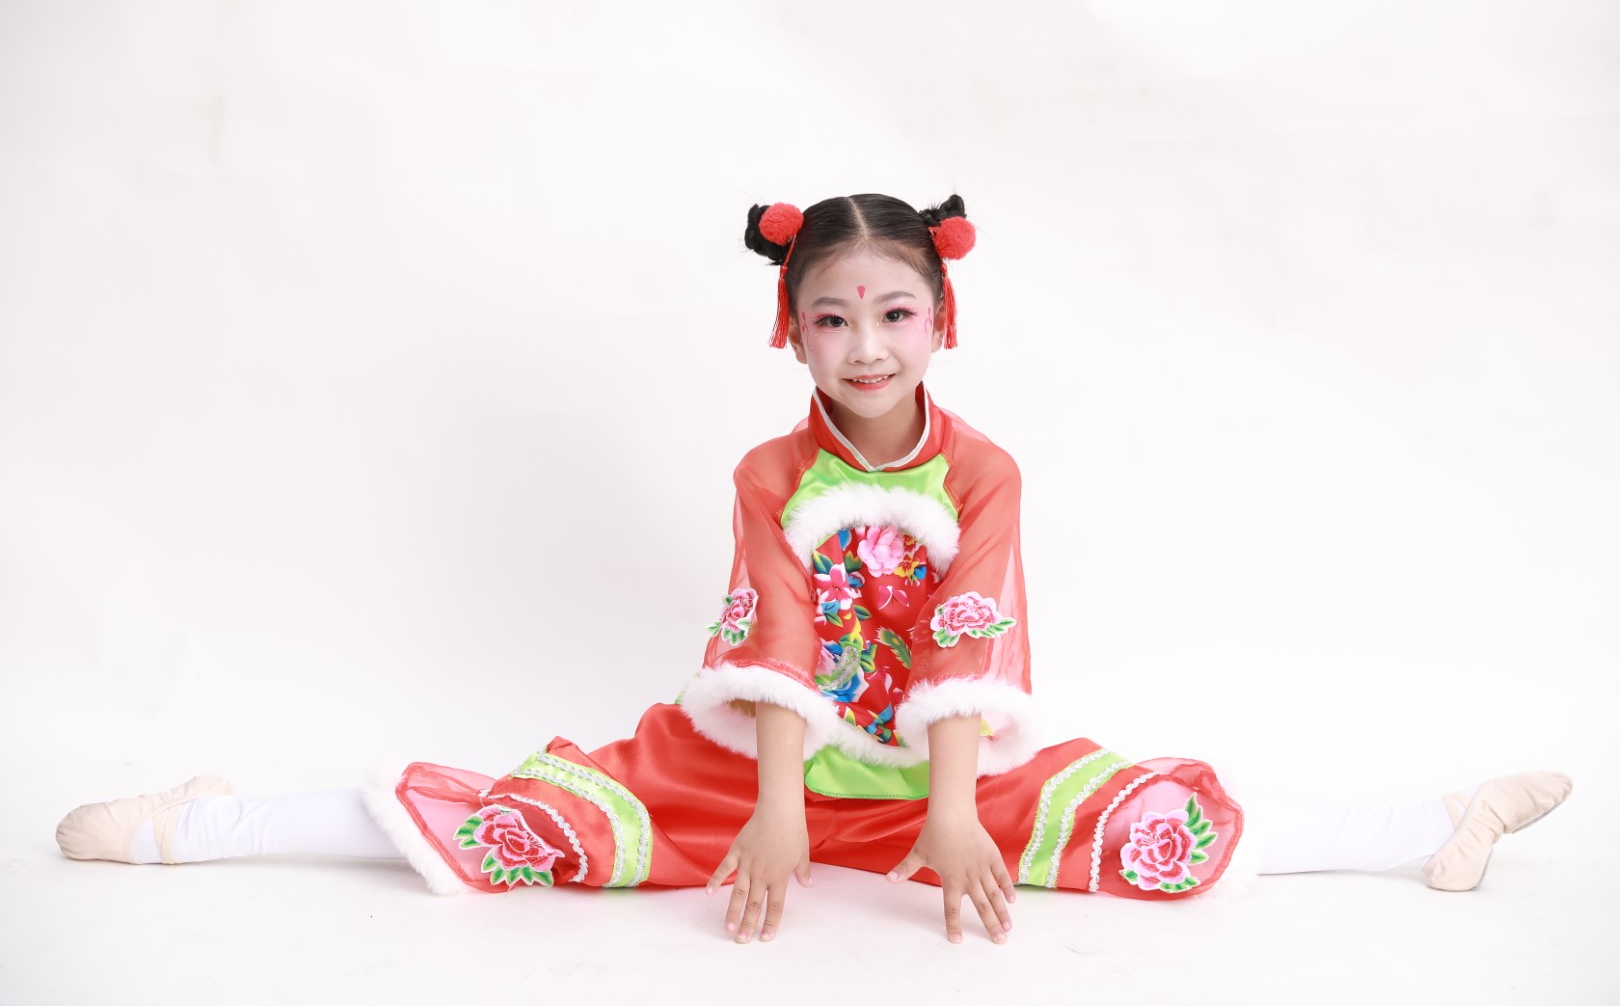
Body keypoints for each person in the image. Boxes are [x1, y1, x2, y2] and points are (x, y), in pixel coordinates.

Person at [56, 193, 1573, 946]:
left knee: (1149, 833)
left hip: (937, 779)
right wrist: (774, 806)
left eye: (893, 315)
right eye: (832, 318)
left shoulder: (985, 472)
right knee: (526, 828)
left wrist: (953, 808)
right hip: (744, 775)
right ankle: (204, 822)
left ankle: (1429, 826)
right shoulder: (769, 473)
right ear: (789, 332)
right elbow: (775, 638)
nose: (865, 346)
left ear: (941, 323)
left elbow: (971, 641)